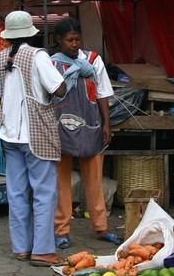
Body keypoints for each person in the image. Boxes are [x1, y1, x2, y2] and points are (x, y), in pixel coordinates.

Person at [0, 11, 67, 267]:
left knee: (16, 192)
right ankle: (43, 250)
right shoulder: (38, 56)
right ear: (31, 32)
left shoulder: (0, 58)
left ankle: (21, 247)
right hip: (35, 134)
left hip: (8, 134)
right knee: (44, 192)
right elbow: (59, 88)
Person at [50, 17, 121, 249]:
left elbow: (102, 93)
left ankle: (101, 228)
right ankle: (61, 230)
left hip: (91, 127)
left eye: (77, 39)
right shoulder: (51, 64)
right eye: (69, 40)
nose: (74, 44)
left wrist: (106, 124)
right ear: (59, 40)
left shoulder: (93, 60)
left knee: (94, 182)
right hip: (61, 128)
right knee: (61, 182)